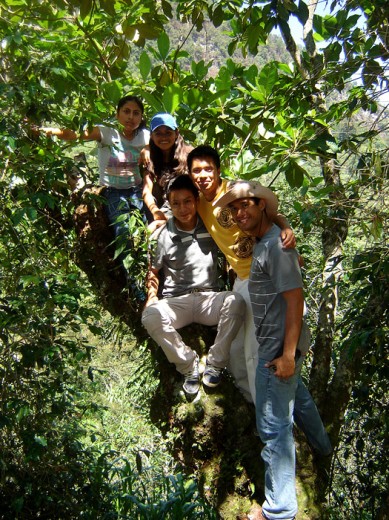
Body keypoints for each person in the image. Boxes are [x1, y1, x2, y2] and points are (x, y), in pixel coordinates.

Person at [187, 145, 332, 458]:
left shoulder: (234, 192)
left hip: (264, 275)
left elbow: (269, 210)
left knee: (257, 353)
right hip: (241, 279)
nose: (202, 176)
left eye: (207, 169)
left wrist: (287, 228)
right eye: (196, 171)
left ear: (218, 170)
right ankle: (318, 443)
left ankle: (267, 420)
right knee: (240, 351)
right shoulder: (196, 201)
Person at [214, 181, 322, 520]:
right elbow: (277, 222)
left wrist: (287, 356)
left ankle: (279, 510)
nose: (240, 212)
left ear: (262, 206)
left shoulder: (276, 247)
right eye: (235, 208)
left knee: (273, 428)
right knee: (298, 397)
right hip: (277, 345)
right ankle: (323, 447)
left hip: (277, 351)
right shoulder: (267, 240)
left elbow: (295, 300)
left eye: (247, 204)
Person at [141, 174, 245, 395]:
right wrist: (151, 297)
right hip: (176, 301)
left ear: (197, 200)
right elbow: (153, 271)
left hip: (209, 298)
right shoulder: (162, 234)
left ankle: (216, 363)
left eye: (187, 201)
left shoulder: (212, 225)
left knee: (236, 301)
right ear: (169, 204)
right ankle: (189, 366)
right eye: (175, 203)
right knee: (150, 316)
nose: (182, 208)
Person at [40, 95, 149, 243]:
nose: (131, 117)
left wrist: (147, 149)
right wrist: (49, 131)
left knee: (147, 231)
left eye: (136, 113)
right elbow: (75, 134)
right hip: (112, 191)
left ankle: (146, 264)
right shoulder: (106, 132)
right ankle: (127, 265)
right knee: (122, 232)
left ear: (141, 117)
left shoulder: (145, 136)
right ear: (117, 114)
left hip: (136, 190)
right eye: (126, 111)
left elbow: (166, 143)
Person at [141, 113, 193, 225]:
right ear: (151, 136)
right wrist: (155, 210)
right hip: (167, 206)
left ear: (176, 133)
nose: (163, 137)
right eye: (158, 133)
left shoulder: (189, 154)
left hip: (189, 205)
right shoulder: (150, 158)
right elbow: (146, 190)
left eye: (168, 133)